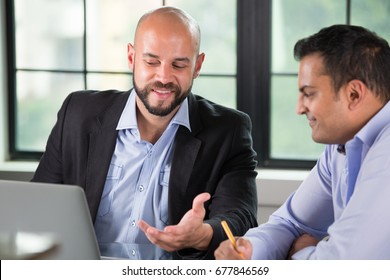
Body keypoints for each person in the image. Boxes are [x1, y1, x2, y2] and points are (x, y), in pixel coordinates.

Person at [32, 6, 258, 260]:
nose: (163, 76)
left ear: (197, 66)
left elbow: (241, 217)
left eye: (179, 64)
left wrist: (202, 234)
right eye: (151, 61)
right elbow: (39, 204)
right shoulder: (77, 115)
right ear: (131, 58)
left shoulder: (228, 130)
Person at [215, 24, 390, 260]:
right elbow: (291, 223)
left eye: (308, 93)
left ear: (354, 95)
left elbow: (344, 263)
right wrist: (249, 251)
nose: (299, 108)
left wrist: (299, 252)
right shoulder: (340, 146)